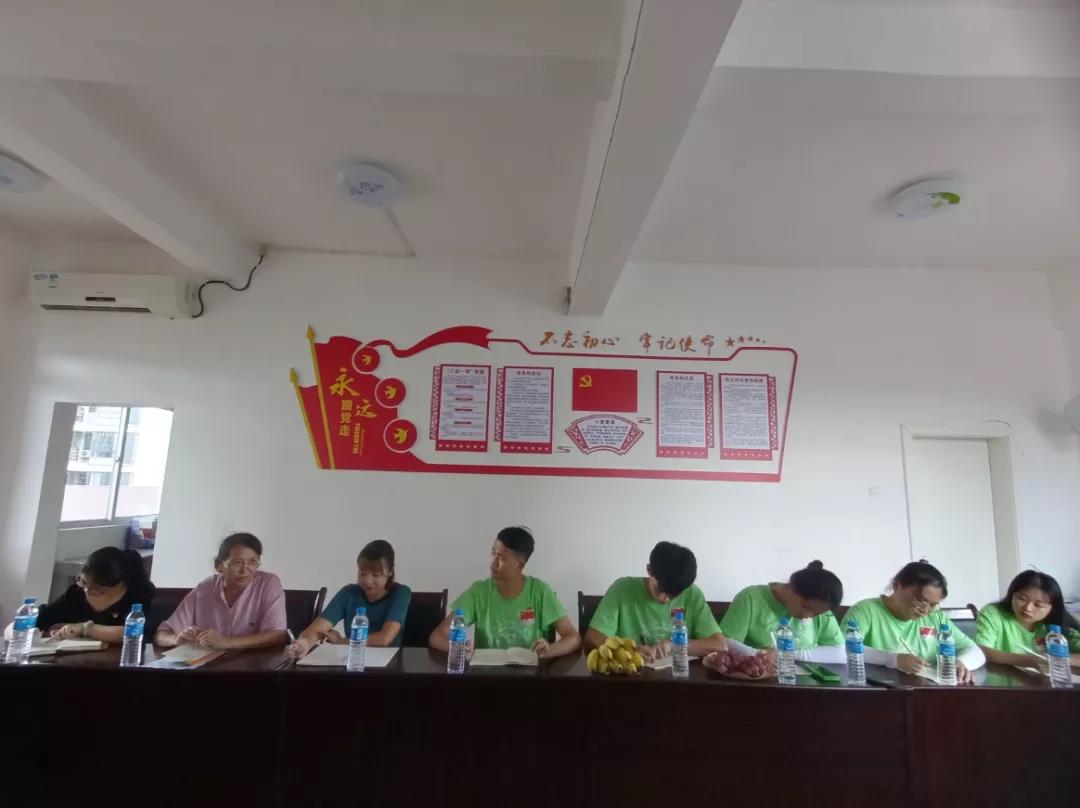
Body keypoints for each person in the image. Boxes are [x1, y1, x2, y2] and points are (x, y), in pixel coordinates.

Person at [428, 526, 580, 659]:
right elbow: (438, 636)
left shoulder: (540, 592)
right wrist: (459, 648)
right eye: (493, 553)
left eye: (502, 558)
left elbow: (573, 638)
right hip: (488, 675)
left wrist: (549, 650)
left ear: (520, 564)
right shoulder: (478, 592)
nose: (493, 563)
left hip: (531, 676)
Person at [844, 560, 985, 684]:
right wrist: (894, 660)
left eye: (932, 604)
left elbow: (975, 651)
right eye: (920, 600)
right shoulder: (866, 610)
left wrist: (960, 662)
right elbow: (842, 649)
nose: (925, 610)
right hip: (883, 692)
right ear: (896, 586)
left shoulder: (935, 617)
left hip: (928, 690)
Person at [585, 541, 726, 661]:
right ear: (649, 570)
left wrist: (675, 645)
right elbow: (592, 638)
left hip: (680, 679)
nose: (666, 599)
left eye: (674, 595)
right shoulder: (622, 589)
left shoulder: (692, 594)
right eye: (661, 591)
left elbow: (720, 645)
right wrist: (630, 651)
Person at [155, 533, 288, 650]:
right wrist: (176, 640)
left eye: (253, 562)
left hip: (254, 665)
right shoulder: (205, 588)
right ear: (218, 565)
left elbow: (277, 635)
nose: (245, 570)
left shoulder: (268, 583)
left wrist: (227, 642)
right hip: (208, 665)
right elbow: (161, 634)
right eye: (237, 562)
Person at [288, 540, 411, 657]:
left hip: (389, 664)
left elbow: (384, 639)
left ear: (390, 571)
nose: (368, 581)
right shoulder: (349, 593)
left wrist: (342, 641)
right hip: (353, 659)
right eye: (362, 574)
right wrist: (305, 643)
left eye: (376, 575)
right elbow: (317, 629)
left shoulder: (401, 593)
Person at [720, 560, 845, 663]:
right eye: (806, 607)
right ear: (792, 589)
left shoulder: (821, 609)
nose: (807, 616)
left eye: (817, 614)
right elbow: (725, 642)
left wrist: (788, 654)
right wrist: (759, 654)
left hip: (802, 681)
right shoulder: (751, 598)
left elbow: (840, 652)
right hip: (756, 676)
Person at [38, 547, 155, 643]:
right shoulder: (76, 592)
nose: (87, 591)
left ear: (117, 583)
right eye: (83, 583)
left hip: (117, 660)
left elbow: (134, 632)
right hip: (74, 659)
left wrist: (84, 628)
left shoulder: (136, 596)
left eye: (97, 589)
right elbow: (45, 617)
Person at [976, 570, 1080, 671]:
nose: (1028, 608)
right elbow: (982, 651)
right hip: (1003, 678)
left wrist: (1058, 659)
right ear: (1012, 595)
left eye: (1038, 605)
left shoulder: (1058, 624)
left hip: (1046, 681)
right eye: (1022, 599)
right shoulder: (994, 613)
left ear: (1052, 608)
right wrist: (1031, 661)